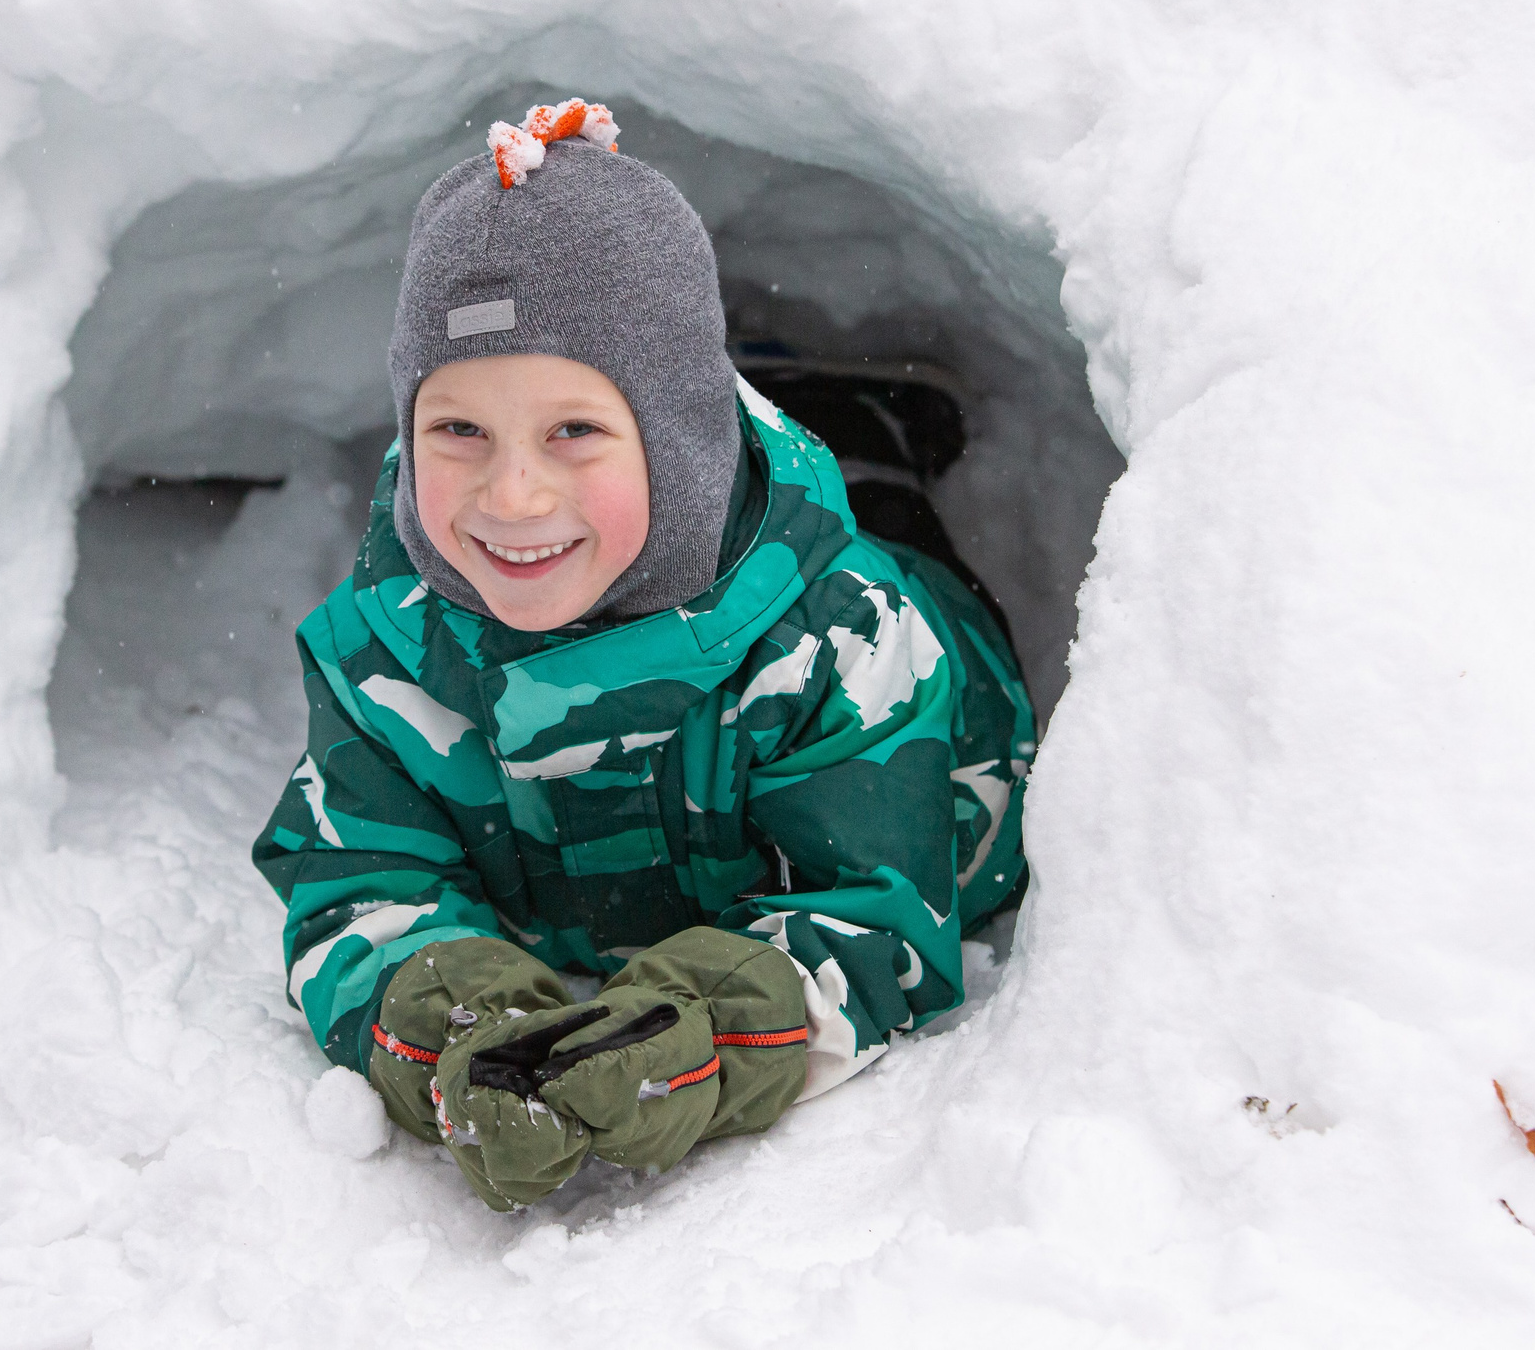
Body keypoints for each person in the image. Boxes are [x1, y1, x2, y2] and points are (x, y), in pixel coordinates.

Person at [249, 99, 1034, 1209]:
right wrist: (456, 1020)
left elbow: (877, 916)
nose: (511, 494)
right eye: (456, 430)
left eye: (574, 430)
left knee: (884, 515)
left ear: (679, 440)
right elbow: (359, 886)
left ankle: (865, 417)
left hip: (937, 688)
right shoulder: (383, 646)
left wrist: (706, 1032)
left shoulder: (849, 642)